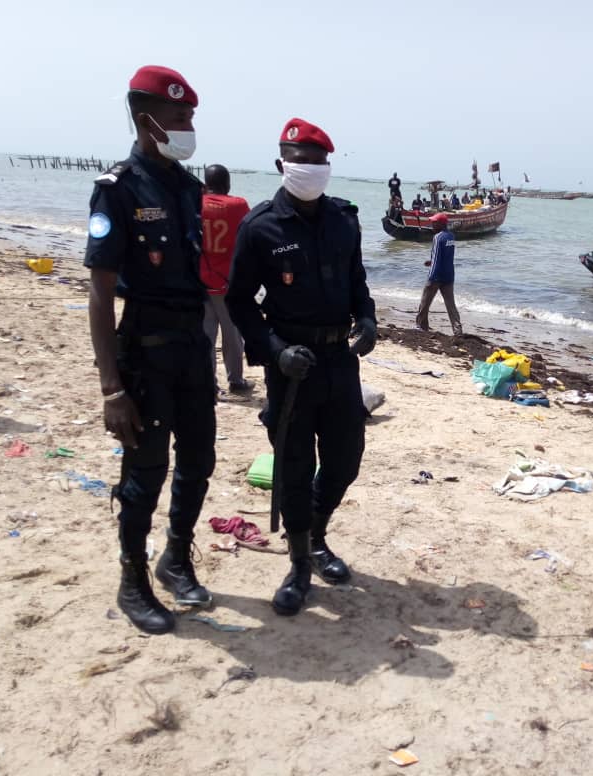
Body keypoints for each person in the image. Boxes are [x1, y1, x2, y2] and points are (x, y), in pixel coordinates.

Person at [226, 118, 377, 617]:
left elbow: (356, 277)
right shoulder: (260, 225)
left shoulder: (344, 219)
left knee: (346, 458)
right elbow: (239, 301)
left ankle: (315, 534)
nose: (310, 169)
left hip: (340, 361)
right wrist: (272, 350)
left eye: (318, 161)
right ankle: (297, 563)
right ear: (281, 165)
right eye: (300, 161)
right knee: (293, 466)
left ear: (328, 167)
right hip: (291, 367)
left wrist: (369, 317)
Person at [84, 65, 215, 635]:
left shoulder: (191, 191)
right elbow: (99, 293)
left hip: (193, 348)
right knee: (145, 471)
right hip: (145, 350)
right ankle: (132, 577)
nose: (189, 126)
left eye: (190, 116)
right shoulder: (118, 189)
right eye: (179, 116)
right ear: (147, 121)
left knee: (199, 461)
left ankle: (176, 556)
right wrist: (111, 388)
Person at [200, 164, 252, 395]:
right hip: (227, 282)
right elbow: (249, 237)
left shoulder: (195, 204)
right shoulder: (238, 205)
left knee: (206, 335)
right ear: (227, 184)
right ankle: (236, 380)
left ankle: (209, 383)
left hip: (200, 281)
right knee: (232, 335)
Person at [415, 213, 462, 337]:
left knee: (425, 302)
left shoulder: (437, 237)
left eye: (434, 222)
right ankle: (458, 330)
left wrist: (431, 275)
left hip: (436, 276)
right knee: (451, 305)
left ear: (441, 224)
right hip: (449, 275)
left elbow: (436, 258)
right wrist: (431, 262)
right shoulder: (451, 236)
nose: (432, 224)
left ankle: (421, 326)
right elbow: (446, 256)